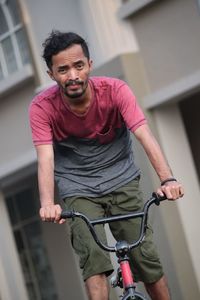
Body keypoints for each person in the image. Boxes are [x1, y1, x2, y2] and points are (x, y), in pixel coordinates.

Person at [29, 30, 184, 300]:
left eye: (78, 66)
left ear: (90, 64)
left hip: (122, 178)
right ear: (51, 74)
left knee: (146, 260)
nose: (73, 76)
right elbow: (45, 157)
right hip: (78, 187)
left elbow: (144, 135)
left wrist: (168, 179)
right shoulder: (42, 107)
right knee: (94, 265)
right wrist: (47, 203)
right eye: (63, 69)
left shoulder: (115, 91)